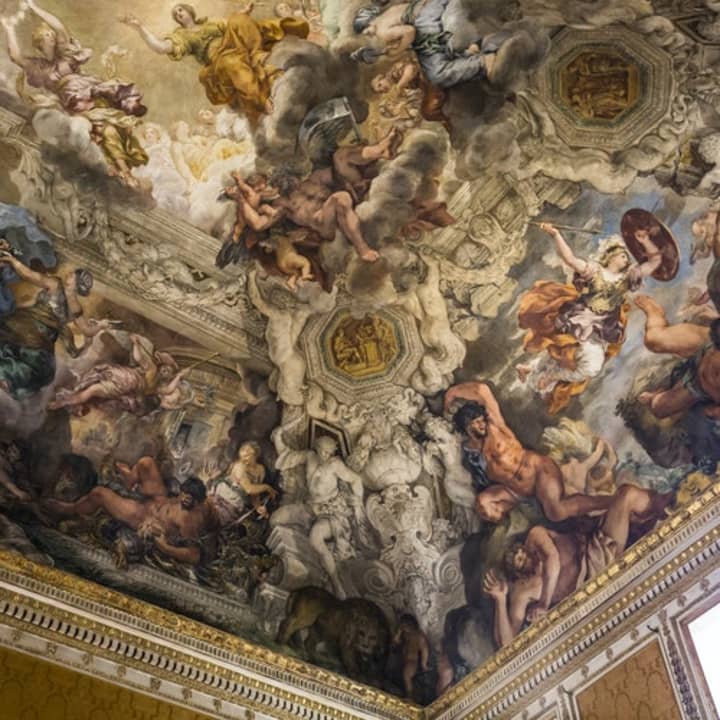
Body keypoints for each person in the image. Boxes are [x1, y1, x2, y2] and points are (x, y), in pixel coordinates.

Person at [483, 483, 672, 646]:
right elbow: (507, 644)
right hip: (596, 581)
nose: (527, 555)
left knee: (626, 494)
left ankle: (666, 506)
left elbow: (552, 560)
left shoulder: (535, 537)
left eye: (522, 551)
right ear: (518, 574)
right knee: (626, 497)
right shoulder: (522, 591)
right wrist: (500, 600)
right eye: (521, 561)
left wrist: (543, 604)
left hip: (597, 547)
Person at [517, 222, 663, 413]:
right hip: (581, 318)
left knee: (578, 357)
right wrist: (556, 234)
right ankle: (546, 374)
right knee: (580, 357)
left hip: (603, 325)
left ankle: (534, 370)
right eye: (623, 255)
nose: (626, 259)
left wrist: (645, 241)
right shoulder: (595, 271)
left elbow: (655, 261)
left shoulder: (628, 277)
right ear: (611, 256)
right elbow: (569, 259)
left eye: (627, 257)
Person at [445, 382, 613, 523]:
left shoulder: (496, 427)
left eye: (482, 420)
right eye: (476, 423)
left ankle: (606, 503)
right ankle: (514, 521)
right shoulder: (471, 451)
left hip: (539, 472)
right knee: (483, 505)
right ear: (467, 428)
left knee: (555, 512)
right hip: (516, 490)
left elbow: (482, 390)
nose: (482, 424)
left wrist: (451, 393)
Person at [120, 3, 309, 127]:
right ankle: (261, 100)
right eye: (176, 14)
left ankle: (263, 50)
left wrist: (245, 12)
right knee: (232, 63)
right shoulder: (181, 36)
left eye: (181, 10)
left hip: (233, 43)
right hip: (218, 57)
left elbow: (232, 26)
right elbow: (161, 47)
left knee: (239, 19)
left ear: (189, 11)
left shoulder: (210, 23)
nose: (179, 14)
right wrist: (140, 27)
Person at [352, 0, 520, 89]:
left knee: (435, 73)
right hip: (432, 5)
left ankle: (482, 62)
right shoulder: (389, 12)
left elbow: (410, 32)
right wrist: (399, 47)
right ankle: (472, 50)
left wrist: (396, 52)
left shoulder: (381, 29)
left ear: (369, 21)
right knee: (436, 52)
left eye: (365, 30)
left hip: (425, 20)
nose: (368, 34)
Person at [0, 252, 99, 399]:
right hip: (41, 334)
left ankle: (7, 377)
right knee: (38, 369)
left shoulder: (56, 285)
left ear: (76, 284)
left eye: (73, 275)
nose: (69, 274)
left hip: (31, 326)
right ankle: (7, 379)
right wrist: (91, 338)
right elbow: (87, 331)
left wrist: (14, 261)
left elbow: (29, 275)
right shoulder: (75, 308)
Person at [634, 296, 720, 419]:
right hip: (707, 345)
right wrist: (715, 318)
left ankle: (660, 392)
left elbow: (710, 412)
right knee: (653, 339)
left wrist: (713, 410)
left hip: (698, 386)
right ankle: (656, 312)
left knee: (658, 408)